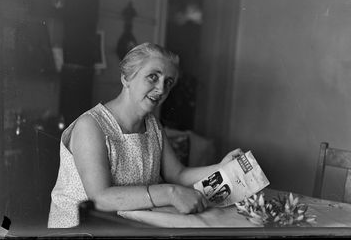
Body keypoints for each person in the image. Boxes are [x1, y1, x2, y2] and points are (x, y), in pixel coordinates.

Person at [48, 42, 244, 228]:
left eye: (168, 82)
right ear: (126, 78)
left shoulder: (152, 125)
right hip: (83, 229)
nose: (161, 89)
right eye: (153, 77)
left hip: (128, 224)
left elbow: (178, 175)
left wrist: (222, 168)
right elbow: (99, 198)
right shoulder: (91, 126)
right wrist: (169, 193)